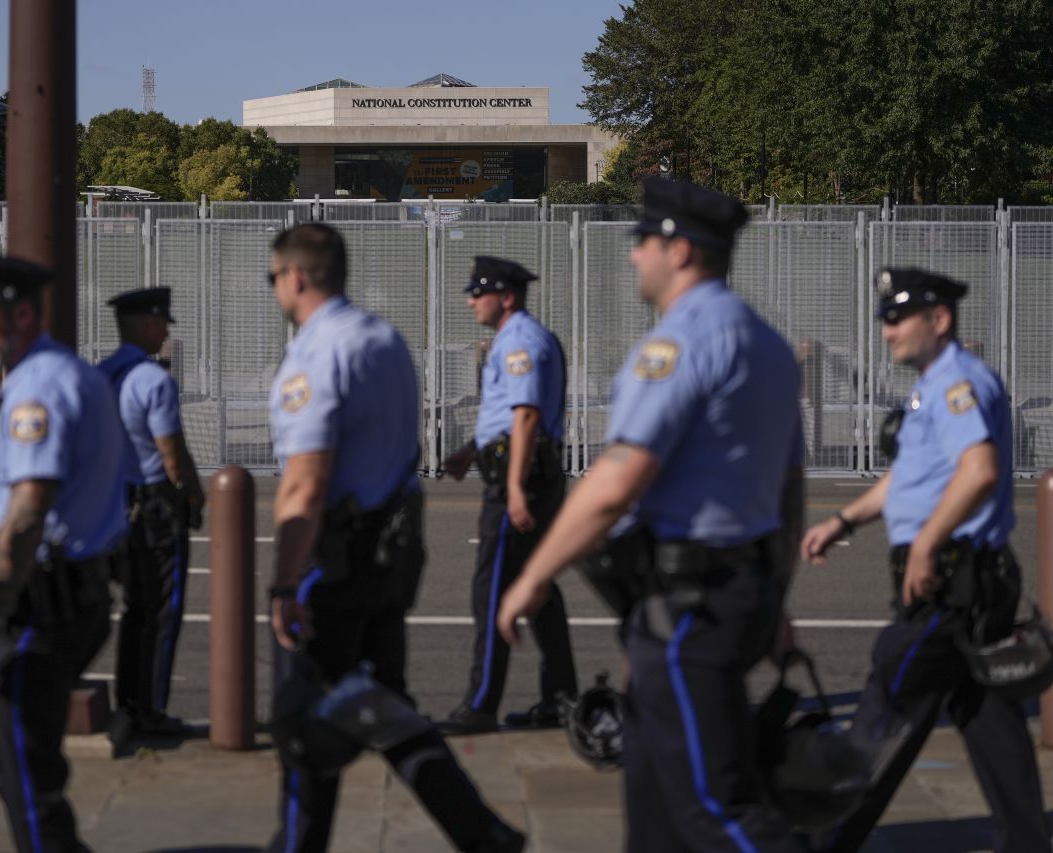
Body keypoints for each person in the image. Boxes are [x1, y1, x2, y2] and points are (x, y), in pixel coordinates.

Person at [497, 177, 806, 851]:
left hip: (689, 608)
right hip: (732, 591)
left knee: (710, 806)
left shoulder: (679, 345)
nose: (634, 254)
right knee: (657, 804)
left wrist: (532, 577)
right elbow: (788, 489)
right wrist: (774, 588)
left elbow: (615, 483)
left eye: (643, 240)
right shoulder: (768, 345)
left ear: (682, 250)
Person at [264, 223, 524, 853]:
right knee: (382, 705)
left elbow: (305, 481)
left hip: (338, 560)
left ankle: (298, 844)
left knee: (307, 717)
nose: (275, 289)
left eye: (273, 278)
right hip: (392, 553)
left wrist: (284, 582)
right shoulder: (385, 340)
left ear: (296, 277)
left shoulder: (314, 355)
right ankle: (480, 832)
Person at [799, 268, 1049, 853]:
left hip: (952, 582)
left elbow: (980, 470)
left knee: (889, 689)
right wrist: (843, 521)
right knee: (988, 717)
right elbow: (908, 478)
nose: (887, 332)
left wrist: (929, 544)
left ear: (939, 320)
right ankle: (1027, 840)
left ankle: (826, 835)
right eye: (885, 319)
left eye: (897, 319)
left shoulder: (958, 383)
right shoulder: (931, 387)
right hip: (966, 581)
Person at [0, 254, 127, 853]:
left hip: (42, 608)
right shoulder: (65, 374)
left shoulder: (35, 389)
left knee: (18, 756)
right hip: (67, 597)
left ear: (21, 313)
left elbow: (25, 517)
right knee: (6, 747)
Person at [439, 256, 577, 735]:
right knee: (538, 590)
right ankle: (562, 699)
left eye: (480, 292)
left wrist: (514, 486)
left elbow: (524, 418)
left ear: (508, 296)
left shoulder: (519, 341)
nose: (471, 299)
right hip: (524, 472)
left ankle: (480, 705)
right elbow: (504, 420)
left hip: (521, 480)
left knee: (492, 589)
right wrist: (468, 452)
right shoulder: (517, 338)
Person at [97, 287, 205, 739]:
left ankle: (129, 702)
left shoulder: (102, 374)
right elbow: (171, 452)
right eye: (161, 324)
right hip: (156, 501)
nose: (165, 332)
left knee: (136, 610)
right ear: (145, 325)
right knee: (163, 609)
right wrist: (194, 493)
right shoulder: (153, 380)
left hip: (116, 500)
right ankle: (151, 710)